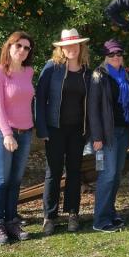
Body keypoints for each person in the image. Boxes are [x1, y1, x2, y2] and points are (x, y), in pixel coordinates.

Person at [35, 29, 91, 236]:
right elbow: (39, 99)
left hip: (78, 130)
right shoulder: (52, 68)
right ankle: (49, 216)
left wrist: (89, 131)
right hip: (54, 129)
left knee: (75, 172)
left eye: (74, 45)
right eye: (67, 45)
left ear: (80, 46)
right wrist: (41, 128)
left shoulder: (86, 71)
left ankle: (73, 213)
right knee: (54, 172)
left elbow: (90, 103)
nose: (71, 49)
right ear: (61, 48)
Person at [0, 31, 35, 245]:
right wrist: (8, 134)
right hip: (3, 133)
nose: (23, 51)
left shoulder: (29, 72)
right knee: (2, 179)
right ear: (9, 46)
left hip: (26, 133)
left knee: (16, 180)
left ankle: (11, 220)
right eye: (19, 46)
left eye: (26, 48)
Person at [89, 39, 129, 233]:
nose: (116, 57)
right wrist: (97, 137)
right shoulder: (99, 76)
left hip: (123, 131)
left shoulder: (127, 75)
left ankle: (110, 211)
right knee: (107, 174)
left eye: (118, 54)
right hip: (107, 134)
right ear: (105, 57)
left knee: (115, 174)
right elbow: (93, 109)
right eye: (111, 55)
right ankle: (100, 219)